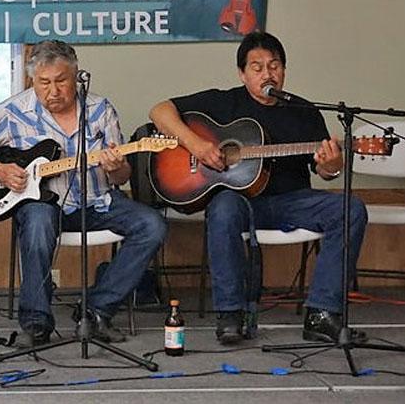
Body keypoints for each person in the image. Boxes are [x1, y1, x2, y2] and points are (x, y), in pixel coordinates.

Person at [149, 31, 367, 345]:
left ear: (284, 71)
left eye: (274, 66)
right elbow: (159, 111)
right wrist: (196, 144)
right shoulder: (222, 102)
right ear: (242, 73)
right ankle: (231, 314)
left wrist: (331, 166)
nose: (268, 73)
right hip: (240, 202)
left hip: (292, 200)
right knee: (222, 207)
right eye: (257, 67)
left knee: (351, 208)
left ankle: (322, 313)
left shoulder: (304, 112)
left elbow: (322, 169)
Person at [0, 40, 168, 347]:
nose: (53, 91)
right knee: (39, 222)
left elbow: (121, 176)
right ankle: (36, 323)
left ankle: (97, 310)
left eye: (61, 81)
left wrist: (115, 166)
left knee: (153, 226)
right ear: (32, 80)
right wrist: (0, 171)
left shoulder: (100, 110)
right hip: (43, 205)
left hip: (98, 202)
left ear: (77, 76)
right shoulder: (13, 111)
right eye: (44, 83)